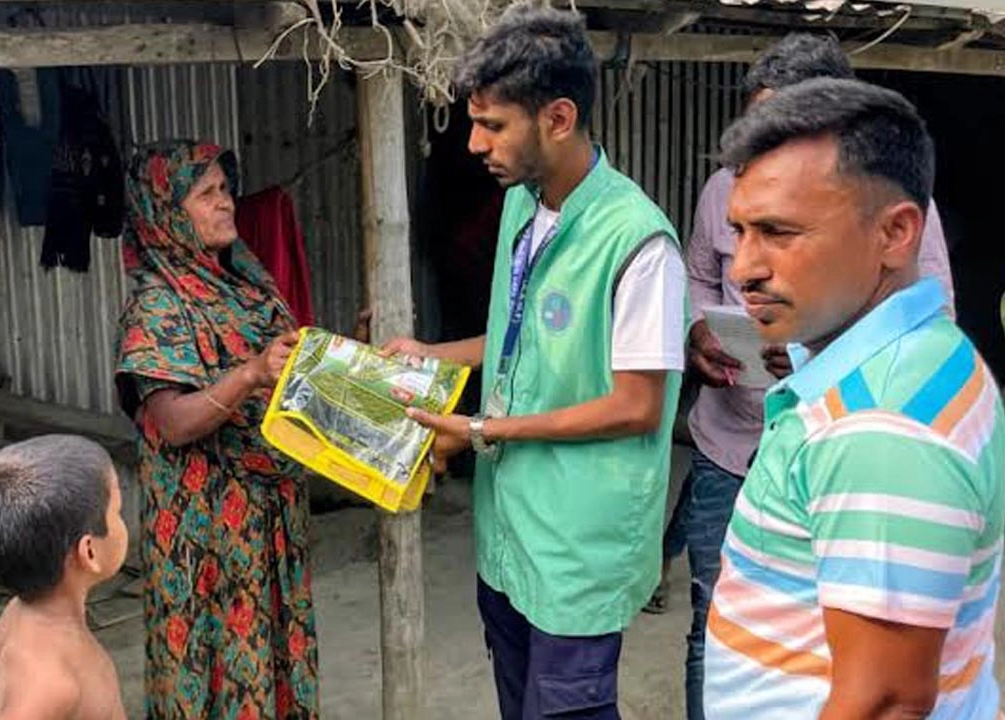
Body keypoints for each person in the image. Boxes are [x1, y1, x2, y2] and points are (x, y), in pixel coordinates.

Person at [389, 7, 687, 718]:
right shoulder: (524, 208)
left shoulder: (639, 243)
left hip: (579, 552)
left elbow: (636, 405)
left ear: (557, 118)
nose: (473, 143)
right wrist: (431, 354)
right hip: (511, 538)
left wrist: (484, 430)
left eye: (493, 125)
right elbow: (523, 342)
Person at [650, 32, 959, 719]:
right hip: (730, 450)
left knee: (831, 642)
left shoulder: (896, 209)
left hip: (843, 462)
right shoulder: (721, 191)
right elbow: (700, 278)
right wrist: (698, 331)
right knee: (717, 628)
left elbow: (933, 320)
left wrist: (825, 355)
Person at [703, 77, 1005, 718]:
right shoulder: (926, 351)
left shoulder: (879, 427)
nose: (743, 268)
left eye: (779, 233)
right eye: (740, 231)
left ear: (896, 234)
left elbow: (885, 702)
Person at [114, 142, 317, 719]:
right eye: (206, 194)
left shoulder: (248, 285)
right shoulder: (156, 308)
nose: (225, 203)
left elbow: (291, 371)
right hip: (204, 534)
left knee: (270, 652)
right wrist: (250, 373)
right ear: (167, 211)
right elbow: (174, 424)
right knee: (211, 658)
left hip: (269, 516)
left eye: (225, 189)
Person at [0, 434, 130, 720]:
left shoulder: (18, 612)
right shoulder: (49, 679)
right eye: (117, 513)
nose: (122, 522)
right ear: (88, 551)